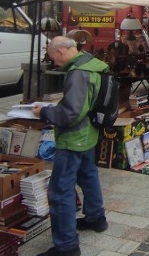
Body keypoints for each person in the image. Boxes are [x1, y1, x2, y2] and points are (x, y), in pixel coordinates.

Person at [33, 36, 108, 256]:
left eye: (52, 55)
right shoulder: (92, 64)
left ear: (62, 51)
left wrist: (45, 112)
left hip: (73, 137)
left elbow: (71, 113)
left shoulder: (78, 73)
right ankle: (96, 218)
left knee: (60, 191)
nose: (52, 60)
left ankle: (66, 246)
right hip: (89, 133)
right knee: (88, 175)